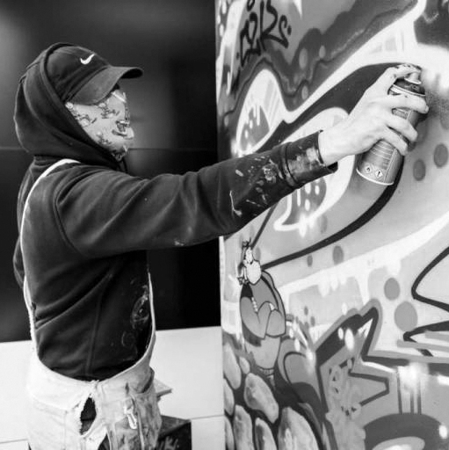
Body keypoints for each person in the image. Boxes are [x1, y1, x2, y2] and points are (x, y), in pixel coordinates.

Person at [13, 42, 428, 450]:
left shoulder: (45, 179)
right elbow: (194, 200)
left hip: (81, 399)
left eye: (114, 88)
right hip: (88, 419)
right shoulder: (74, 197)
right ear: (57, 118)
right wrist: (333, 142)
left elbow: (26, 271)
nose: (118, 102)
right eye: (97, 98)